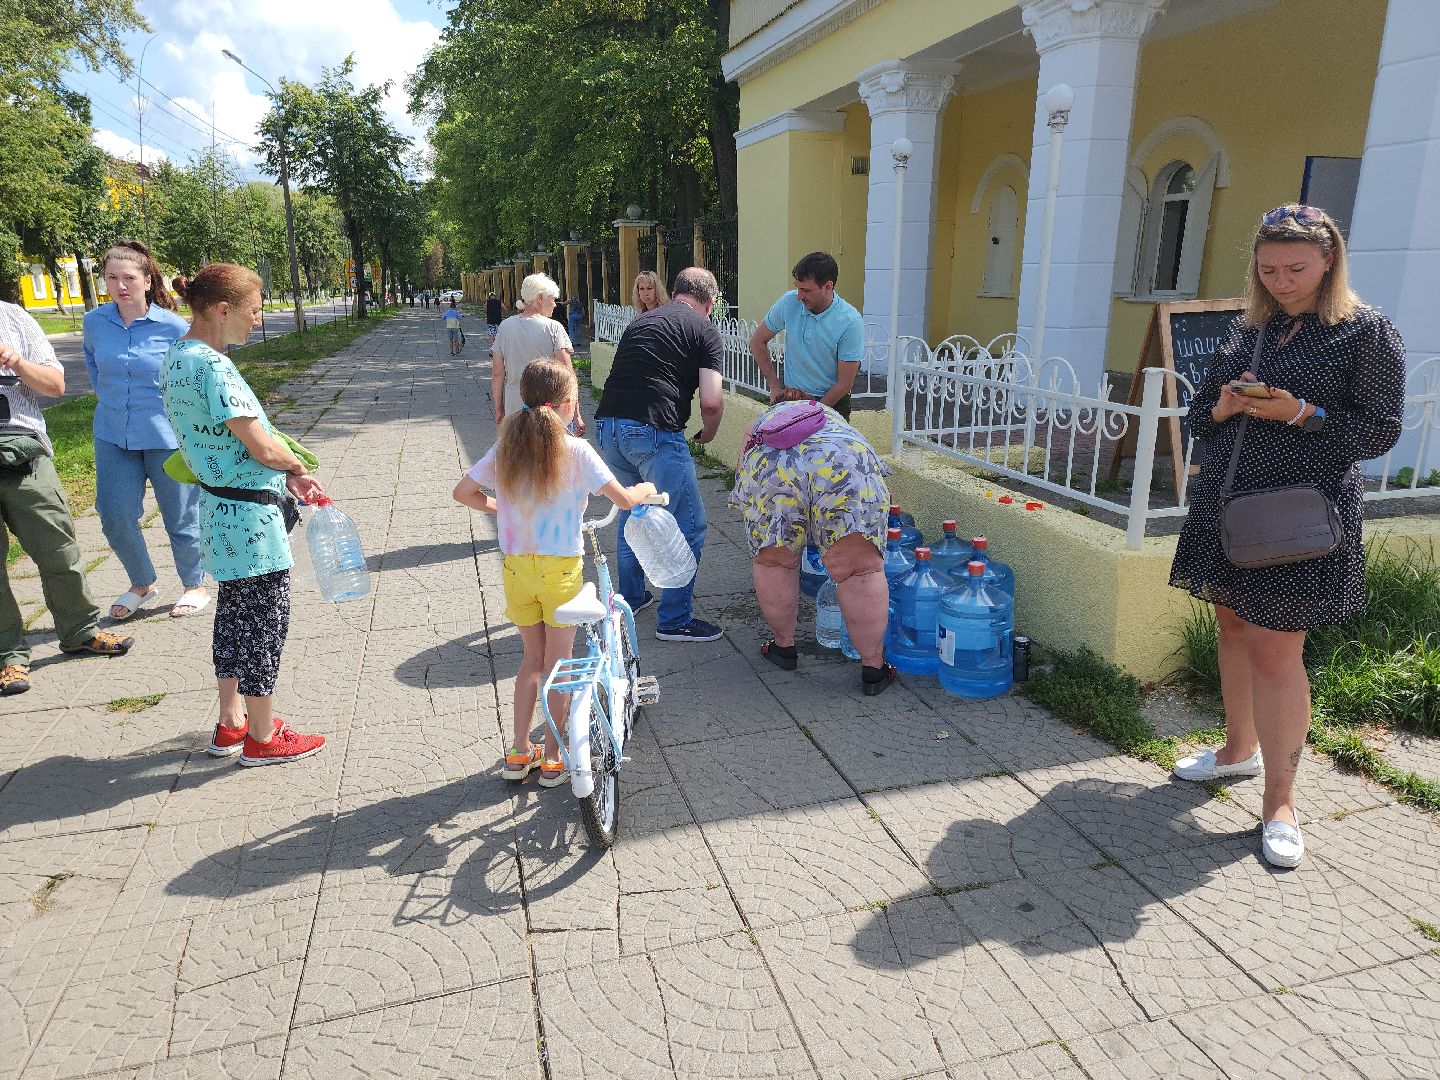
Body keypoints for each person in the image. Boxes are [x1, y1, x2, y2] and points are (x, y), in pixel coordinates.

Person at [1168, 204, 1405, 868]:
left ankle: (1281, 801)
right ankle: (1237, 750)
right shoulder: (1251, 327)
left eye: (1295, 268)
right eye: (1268, 269)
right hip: (1228, 504)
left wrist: (1302, 413)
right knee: (1233, 629)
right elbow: (1199, 416)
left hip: (1297, 514)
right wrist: (1223, 405)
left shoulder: (1365, 332)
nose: (1280, 281)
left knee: (1276, 651)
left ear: (1329, 261)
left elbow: (1380, 430)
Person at [453, 358, 656, 783]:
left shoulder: (506, 448)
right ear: (567, 405)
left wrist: (501, 508)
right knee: (560, 664)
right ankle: (553, 755)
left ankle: (518, 753)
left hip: (516, 570)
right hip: (560, 570)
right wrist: (643, 490)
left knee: (531, 660)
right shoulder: (576, 450)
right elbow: (622, 500)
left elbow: (464, 492)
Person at [164, 264, 328, 767]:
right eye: (253, 311)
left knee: (234, 616)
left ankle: (231, 721)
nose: (257, 320)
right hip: (251, 518)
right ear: (222, 310)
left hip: (218, 507)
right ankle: (262, 735)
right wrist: (296, 467)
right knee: (264, 624)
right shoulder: (213, 367)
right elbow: (261, 445)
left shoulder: (177, 357)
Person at [0, 303, 135, 695]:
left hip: (23, 453)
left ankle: (81, 631)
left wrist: (16, 361)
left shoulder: (13, 318)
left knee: (59, 551)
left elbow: (55, 385)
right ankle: (8, 656)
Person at [731, 390, 897, 695]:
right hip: (843, 461)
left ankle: (783, 647)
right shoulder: (830, 418)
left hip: (772, 467)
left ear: (776, 404)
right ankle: (874, 668)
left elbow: (742, 468)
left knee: (775, 563)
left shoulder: (762, 422)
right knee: (860, 570)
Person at [594, 266, 725, 642]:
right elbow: (712, 401)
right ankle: (675, 619)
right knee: (689, 524)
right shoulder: (704, 329)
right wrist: (709, 432)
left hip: (608, 426)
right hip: (651, 431)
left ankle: (631, 598)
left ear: (676, 291)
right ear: (710, 302)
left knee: (632, 513)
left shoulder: (642, 321)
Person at [84, 240, 207, 621]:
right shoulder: (94, 323)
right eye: (112, 278)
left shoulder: (173, 327)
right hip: (112, 434)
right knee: (114, 515)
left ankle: (194, 584)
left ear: (148, 280)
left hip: (165, 436)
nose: (120, 286)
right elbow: (94, 369)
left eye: (129, 278)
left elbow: (196, 377)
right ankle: (142, 583)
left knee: (181, 516)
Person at [749, 251, 866, 420]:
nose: (799, 296)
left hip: (832, 403)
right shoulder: (789, 302)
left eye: (805, 290)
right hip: (792, 398)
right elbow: (757, 341)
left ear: (828, 286)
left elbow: (844, 384)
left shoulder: (850, 321)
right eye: (797, 288)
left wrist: (812, 413)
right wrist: (774, 386)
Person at [492, 274, 574, 429]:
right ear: (540, 298)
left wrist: (499, 408)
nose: (555, 304)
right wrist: (575, 413)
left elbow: (497, 374)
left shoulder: (505, 327)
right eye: (552, 299)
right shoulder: (553, 328)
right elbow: (567, 373)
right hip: (549, 410)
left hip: (514, 408)